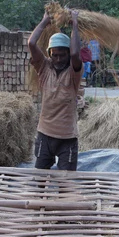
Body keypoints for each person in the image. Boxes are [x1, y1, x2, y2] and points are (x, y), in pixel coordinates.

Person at [27, 9, 82, 171]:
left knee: (66, 182)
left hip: (68, 138)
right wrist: (44, 22)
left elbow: (76, 54)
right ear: (49, 53)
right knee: (40, 179)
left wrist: (75, 25)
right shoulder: (43, 68)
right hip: (45, 134)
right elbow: (31, 43)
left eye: (62, 55)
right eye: (55, 55)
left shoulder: (73, 74)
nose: (58, 59)